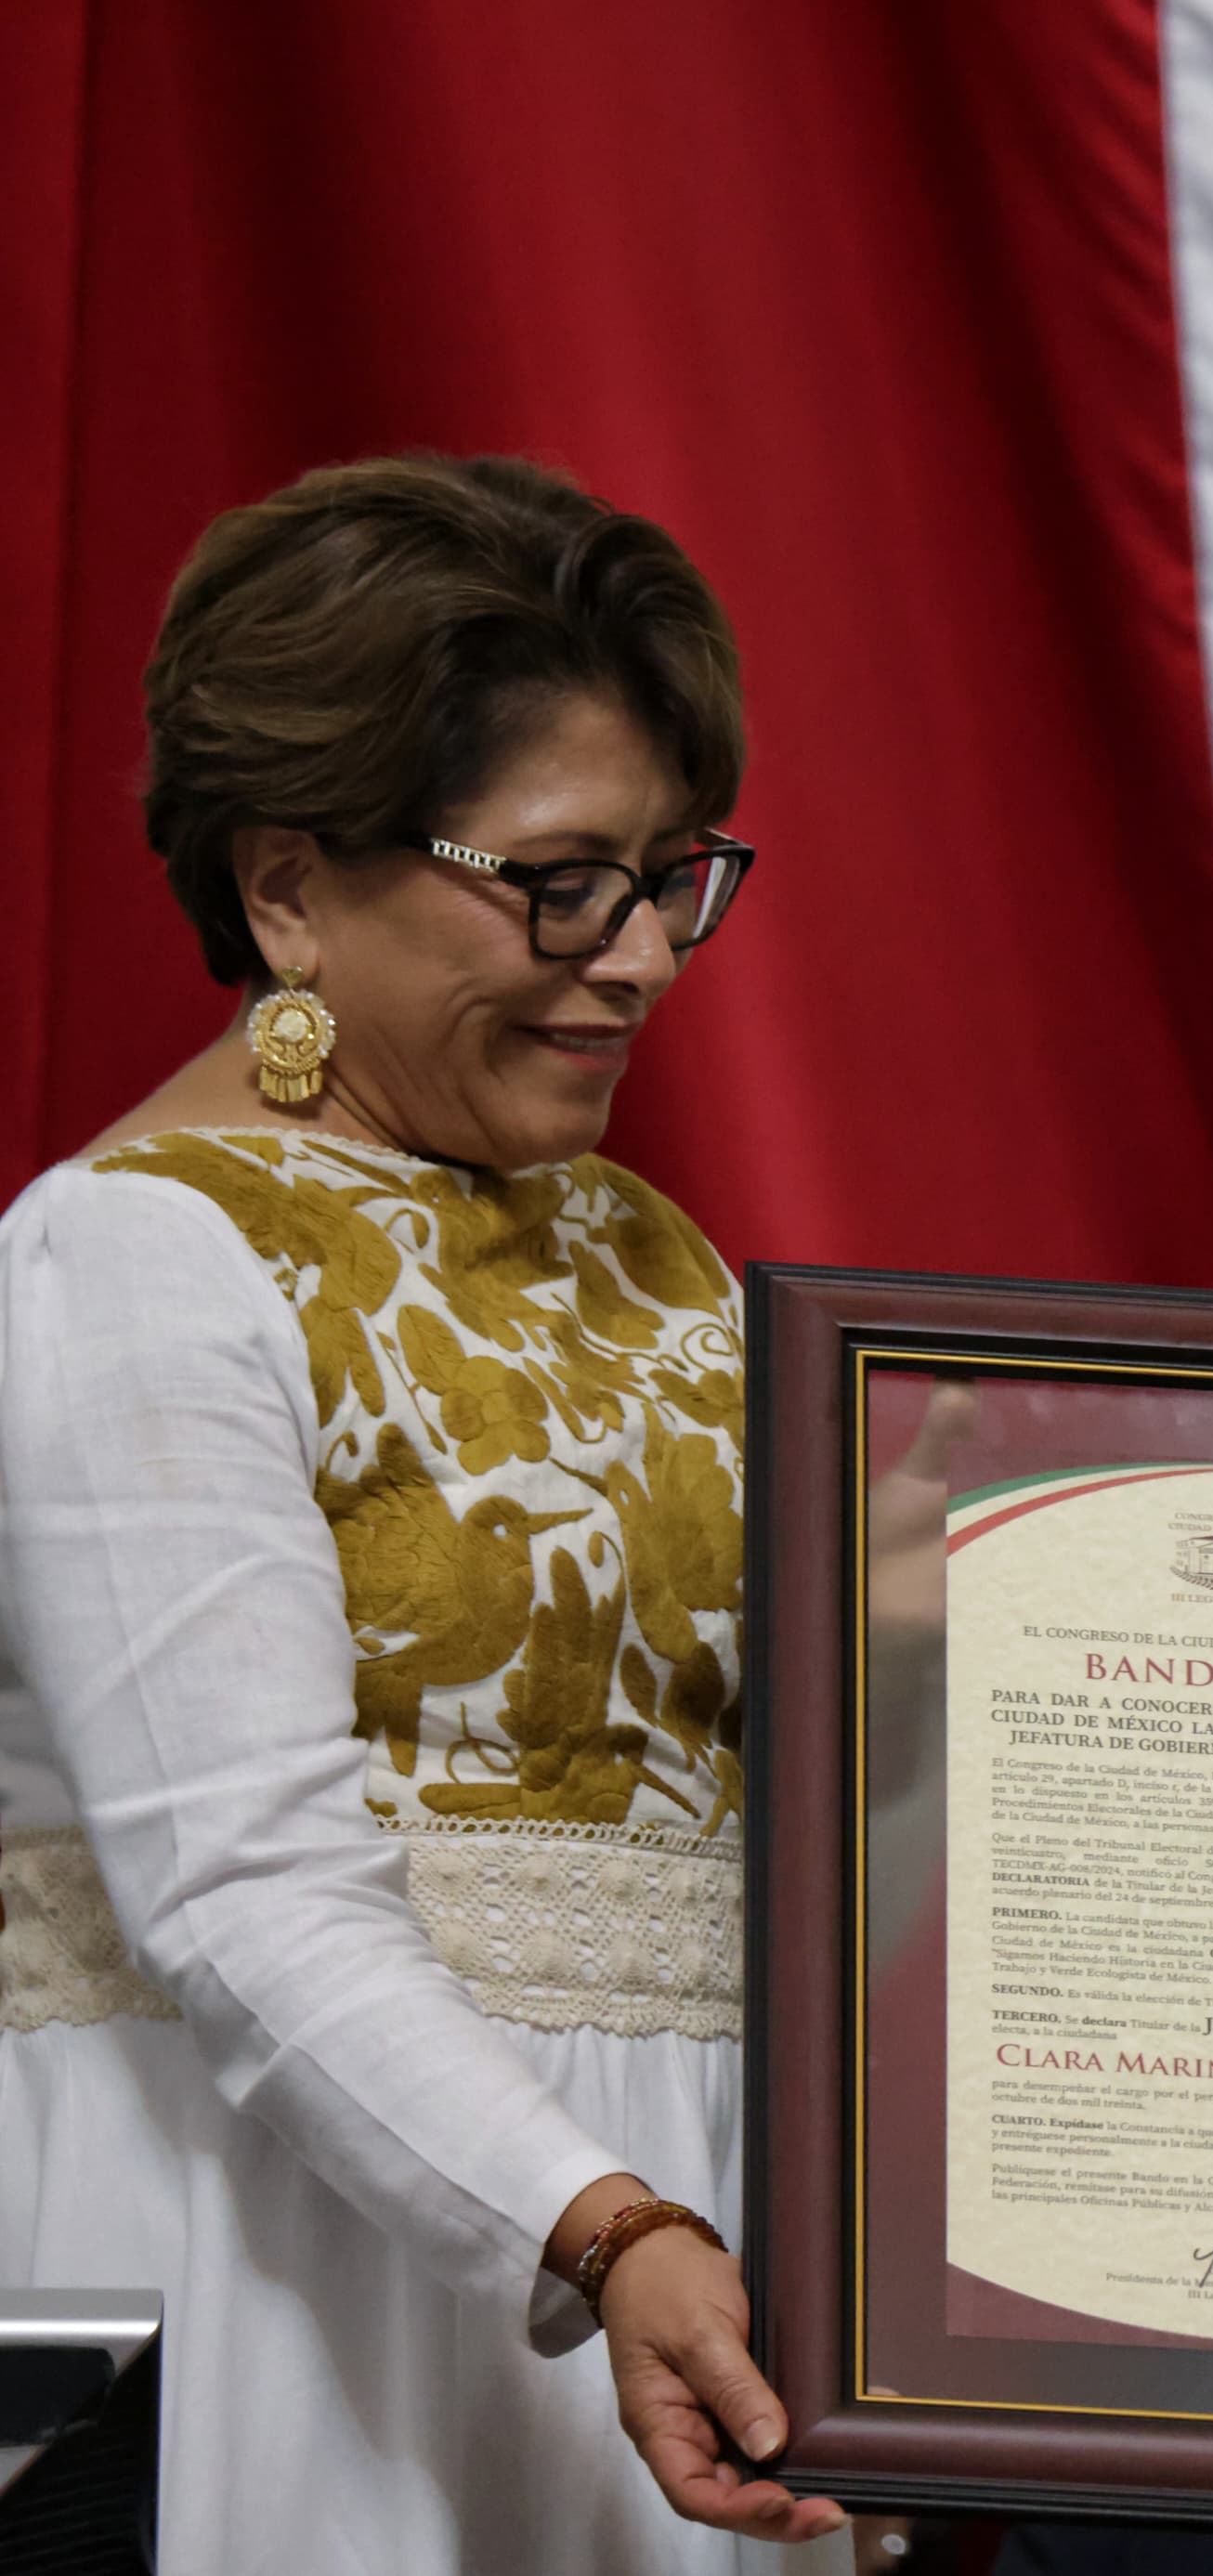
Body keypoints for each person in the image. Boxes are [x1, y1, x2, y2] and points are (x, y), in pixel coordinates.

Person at [0, 456, 847, 2567]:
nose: (643, 955)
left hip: (681, 2299)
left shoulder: (663, 1264)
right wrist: (606, 2226)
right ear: (287, 888)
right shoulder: (127, 1260)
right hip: (278, 2288)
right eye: (561, 882)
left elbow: (882, 1784)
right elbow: (242, 1889)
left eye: (672, 877)